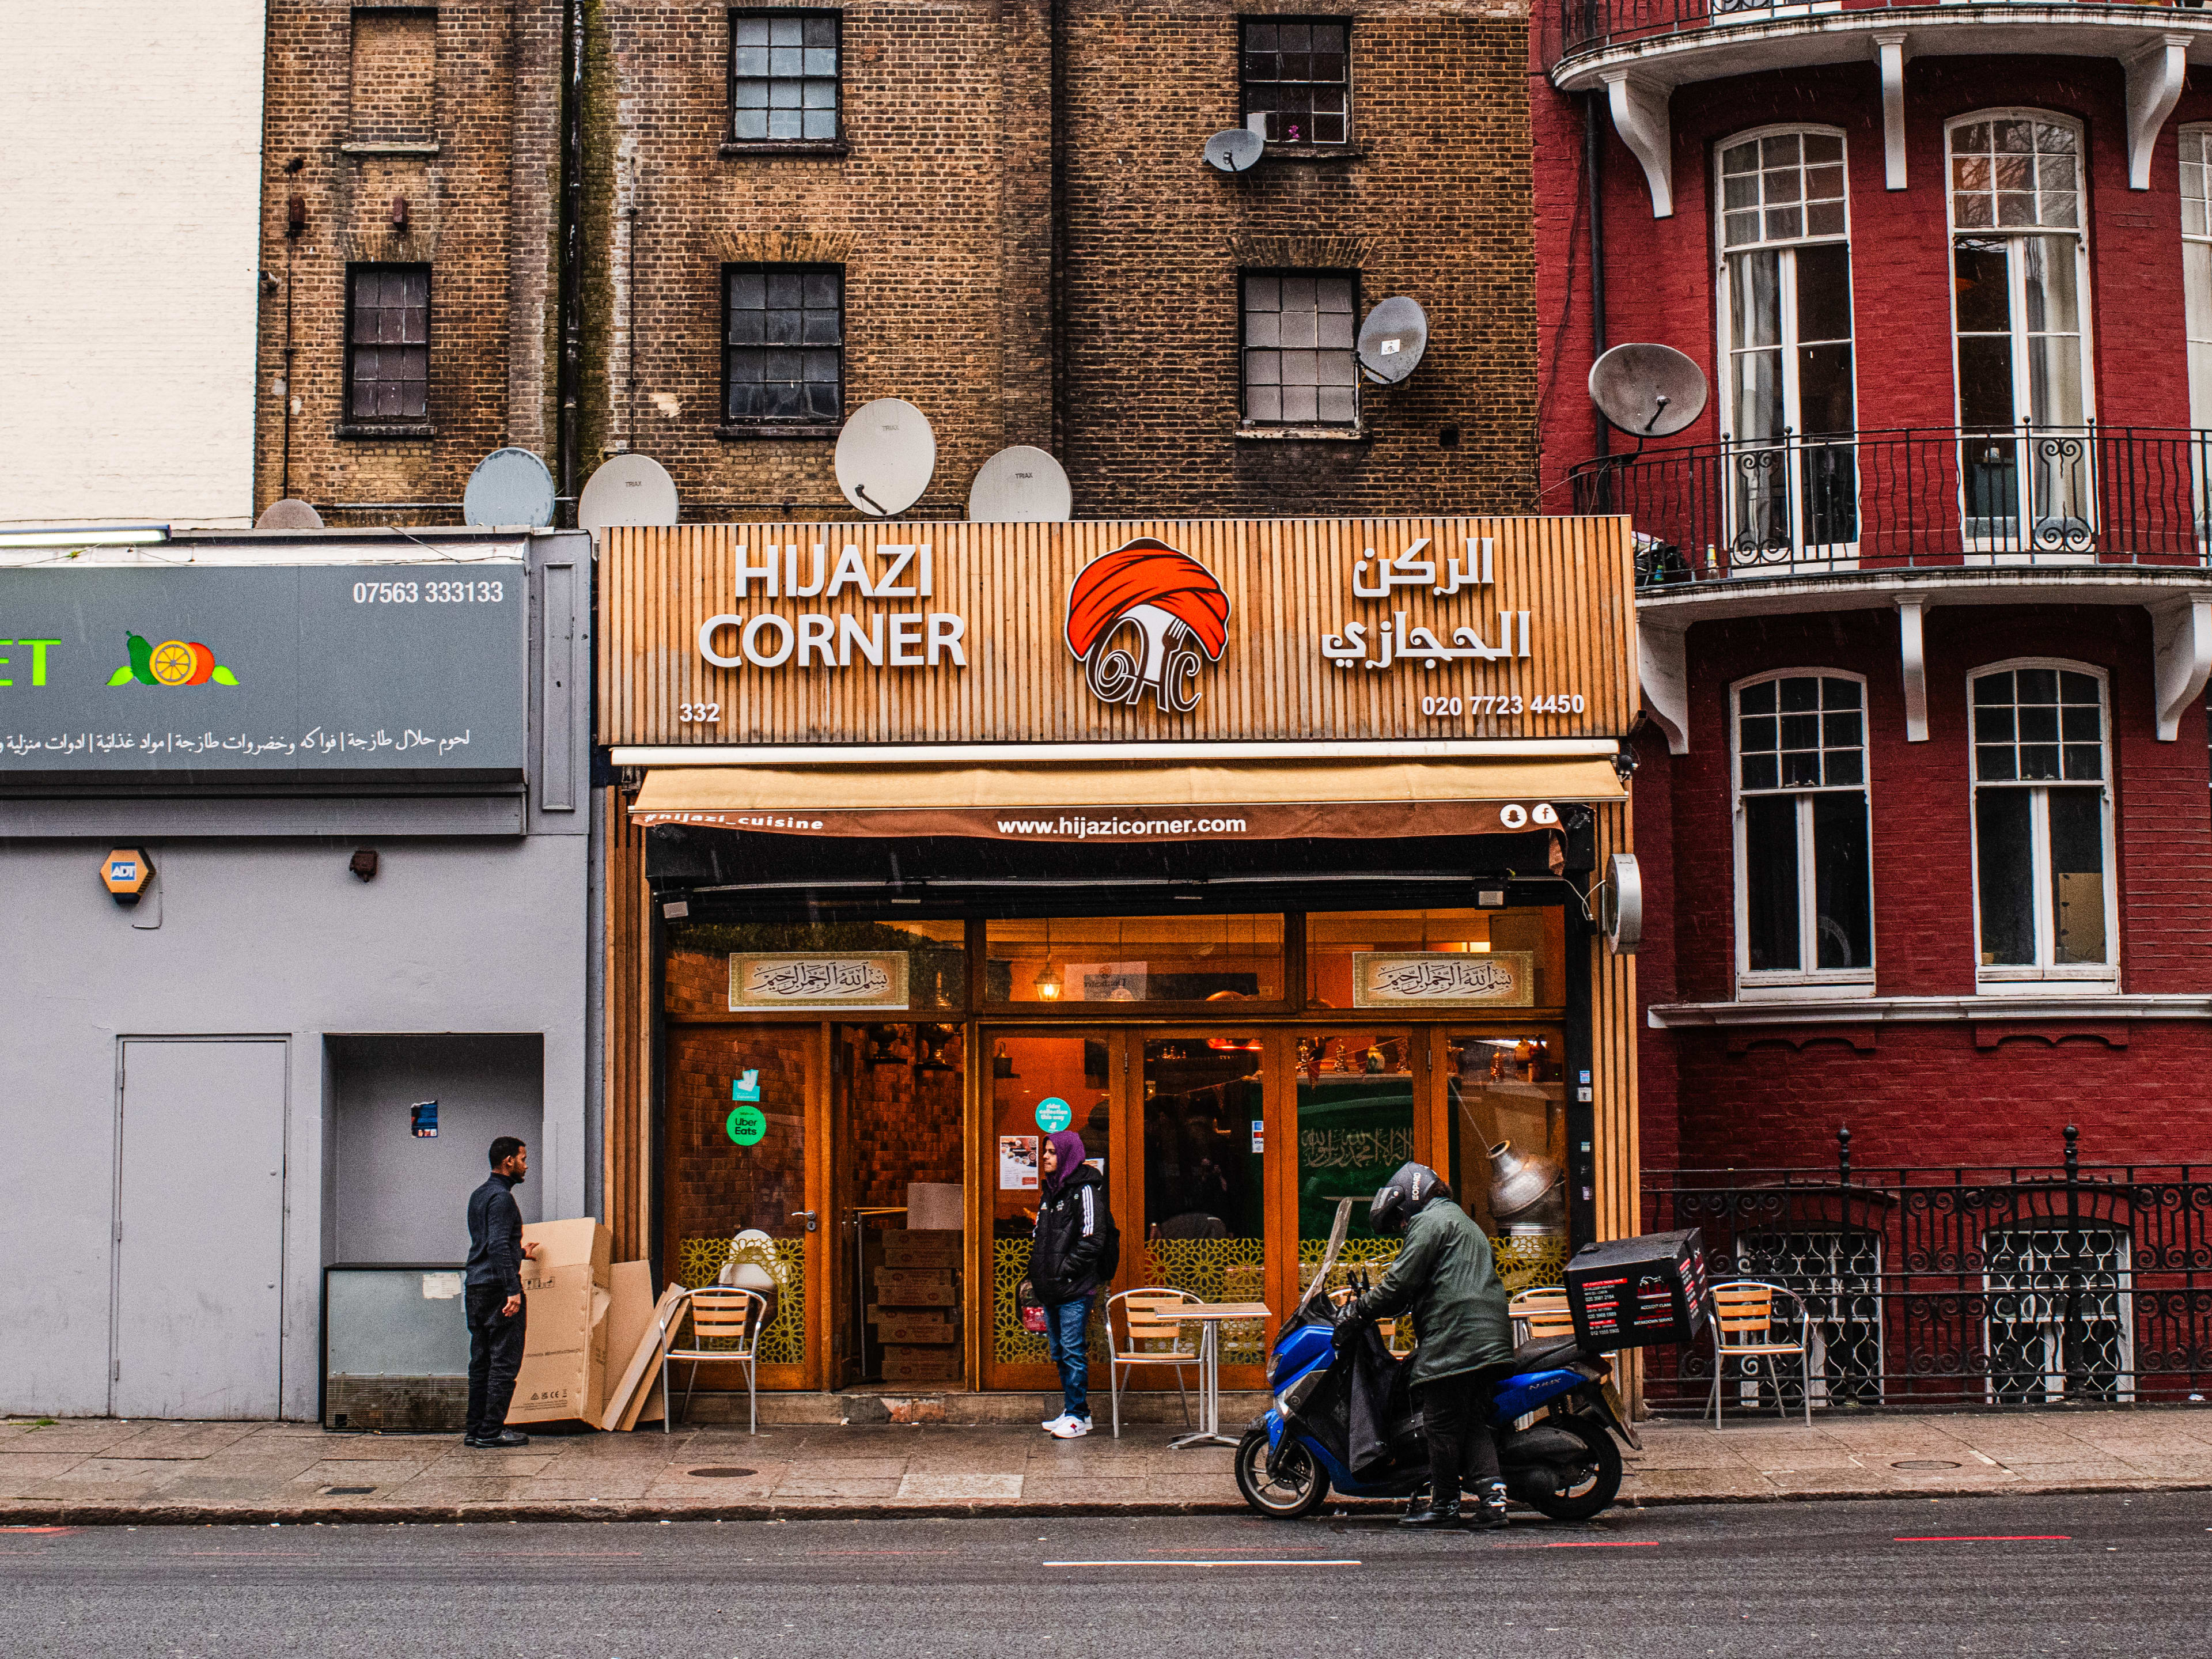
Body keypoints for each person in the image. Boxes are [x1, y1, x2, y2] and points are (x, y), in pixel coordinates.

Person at [1342, 1160, 1517, 1530]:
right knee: (1469, 1417)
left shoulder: (1428, 1221)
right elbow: (1435, 1280)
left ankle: (1444, 1506)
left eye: (1399, 1220)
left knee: (1438, 1421)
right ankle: (1494, 1498)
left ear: (1409, 1203)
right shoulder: (1457, 1220)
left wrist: (1358, 1310)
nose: (1402, 1227)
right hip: (1489, 1333)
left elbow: (1399, 1281)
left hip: (1458, 1335)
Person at [1029, 1128, 1113, 1439]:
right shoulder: (1051, 1191)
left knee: (1073, 1350)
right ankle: (1077, 1411)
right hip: (1052, 1286)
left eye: (1051, 1153)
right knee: (1059, 1351)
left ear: (1065, 1155)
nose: (1046, 1158)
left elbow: (1093, 1239)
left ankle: (1076, 1415)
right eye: (1045, 1152)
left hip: (1074, 1287)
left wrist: (1065, 1270)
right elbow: (1041, 1237)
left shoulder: (1085, 1189)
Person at [463, 1135, 542, 1449]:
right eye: (523, 1159)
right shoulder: (503, 1199)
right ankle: (491, 1431)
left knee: (481, 1361)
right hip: (498, 1290)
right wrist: (513, 1290)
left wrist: (519, 1252)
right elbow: (495, 1245)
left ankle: (475, 1429)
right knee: (504, 1363)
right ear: (508, 1161)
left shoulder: (479, 1195)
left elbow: (488, 1244)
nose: (526, 1165)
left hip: (477, 1287)